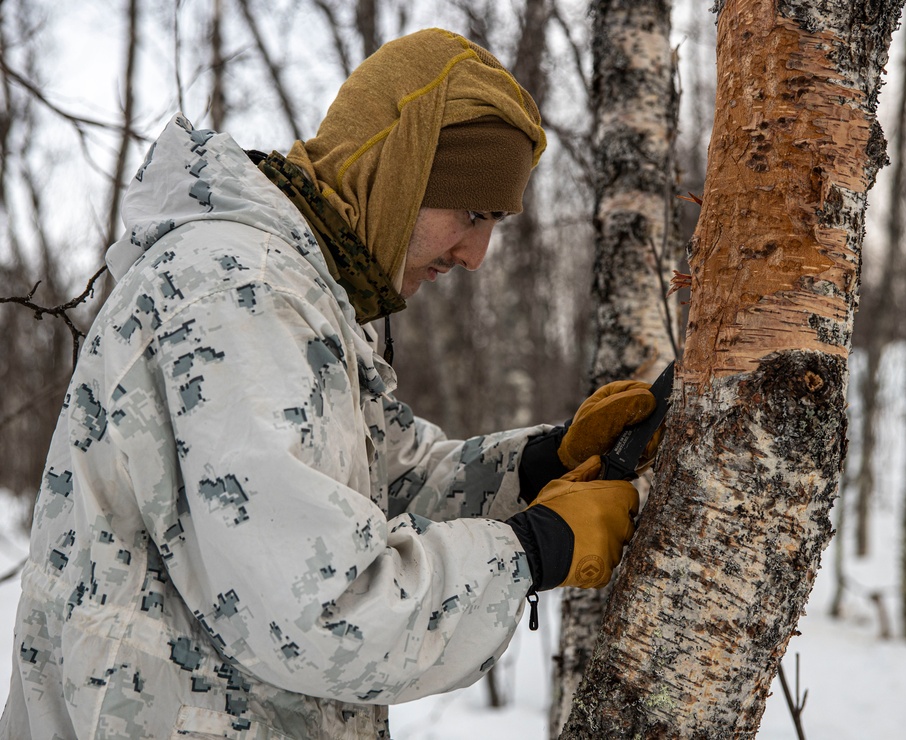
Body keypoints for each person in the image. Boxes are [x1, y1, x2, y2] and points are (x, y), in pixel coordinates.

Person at [0, 28, 660, 739]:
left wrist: (540, 464)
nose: (475, 255)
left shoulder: (297, 287)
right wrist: (531, 552)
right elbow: (325, 610)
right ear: (397, 170)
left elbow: (376, 486)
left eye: (494, 222)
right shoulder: (240, 293)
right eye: (471, 215)